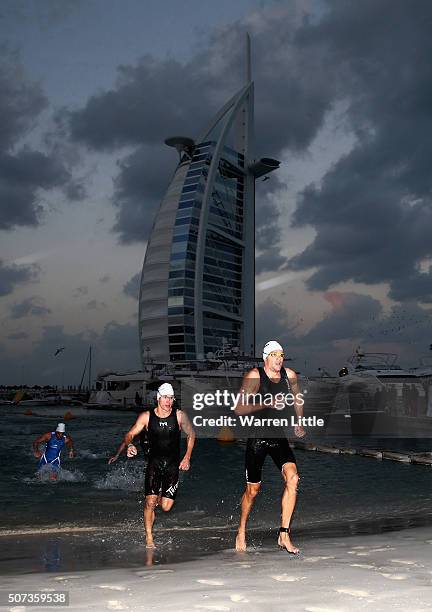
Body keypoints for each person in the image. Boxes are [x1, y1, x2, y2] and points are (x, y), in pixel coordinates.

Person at [234, 340, 305, 554]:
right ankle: (241, 529)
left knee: (293, 478)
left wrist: (299, 421)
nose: (279, 359)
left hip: (278, 435)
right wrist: (267, 403)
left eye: (281, 355)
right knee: (253, 491)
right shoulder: (255, 376)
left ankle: (284, 533)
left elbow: (297, 398)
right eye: (274, 355)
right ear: (266, 357)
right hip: (257, 437)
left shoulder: (289, 375)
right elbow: (239, 408)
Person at [109, 382, 195, 548]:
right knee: (149, 502)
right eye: (165, 398)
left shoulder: (179, 416)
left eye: (170, 398)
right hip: (154, 464)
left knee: (166, 507)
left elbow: (191, 433)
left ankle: (156, 499)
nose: (168, 401)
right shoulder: (146, 417)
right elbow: (129, 434)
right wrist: (130, 445)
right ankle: (149, 537)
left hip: (172, 466)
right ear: (158, 398)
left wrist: (187, 457)